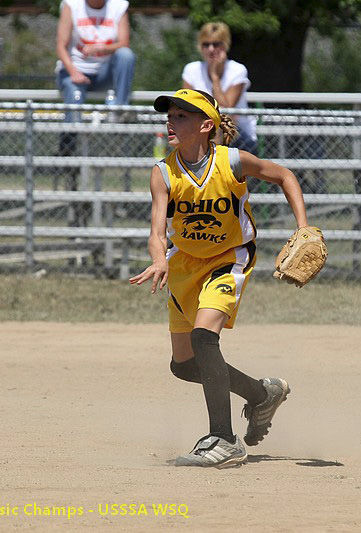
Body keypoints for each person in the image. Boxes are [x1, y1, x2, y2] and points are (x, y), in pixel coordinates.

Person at [129, 89, 313, 468]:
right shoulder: (163, 172)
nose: (170, 122)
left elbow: (284, 176)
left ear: (206, 125)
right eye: (170, 115)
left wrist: (304, 228)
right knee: (182, 365)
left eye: (181, 116)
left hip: (228, 259)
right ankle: (261, 394)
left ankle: (223, 439)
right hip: (183, 266)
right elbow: (157, 230)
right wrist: (157, 259)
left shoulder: (232, 162)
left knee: (203, 337)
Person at [55, 0, 135, 139]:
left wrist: (103, 48)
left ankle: (119, 110)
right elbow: (61, 46)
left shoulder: (118, 6)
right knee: (74, 97)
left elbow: (124, 43)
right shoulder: (71, 5)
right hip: (75, 72)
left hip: (103, 73)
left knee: (126, 55)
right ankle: (67, 148)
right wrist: (74, 73)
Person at [182, 22, 257, 155]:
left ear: (225, 45)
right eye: (206, 44)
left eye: (216, 44)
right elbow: (186, 107)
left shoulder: (237, 70)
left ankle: (212, 168)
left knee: (219, 126)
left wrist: (214, 77)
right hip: (201, 130)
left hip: (237, 133)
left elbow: (226, 110)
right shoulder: (191, 69)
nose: (211, 49)